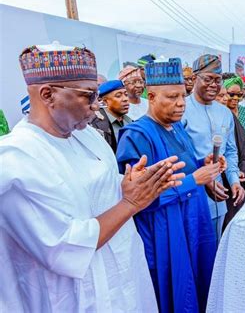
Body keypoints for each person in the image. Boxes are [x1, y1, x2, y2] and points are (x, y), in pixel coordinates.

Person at [0, 42, 185, 312]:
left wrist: (131, 185)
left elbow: (100, 195)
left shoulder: (86, 135)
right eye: (89, 95)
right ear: (48, 94)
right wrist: (131, 203)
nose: (97, 106)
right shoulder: (17, 160)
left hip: (122, 281)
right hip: (71, 298)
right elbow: (62, 248)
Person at [116, 58, 219, 312]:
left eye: (183, 96)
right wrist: (196, 179)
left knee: (201, 282)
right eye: (172, 97)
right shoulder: (137, 136)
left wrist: (201, 163)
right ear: (151, 96)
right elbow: (141, 197)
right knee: (175, 292)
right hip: (166, 230)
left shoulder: (175, 127)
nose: (181, 104)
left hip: (194, 221)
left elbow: (182, 164)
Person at [182, 54, 245, 238]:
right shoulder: (181, 109)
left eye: (217, 80)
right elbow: (179, 154)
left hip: (219, 198)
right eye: (208, 79)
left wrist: (233, 180)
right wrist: (204, 177)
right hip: (191, 195)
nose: (213, 85)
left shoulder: (225, 113)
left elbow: (231, 151)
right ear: (194, 78)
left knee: (215, 249)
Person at [90, 80, 132, 152]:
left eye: (126, 94)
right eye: (118, 96)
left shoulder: (131, 122)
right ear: (105, 101)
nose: (125, 99)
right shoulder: (95, 125)